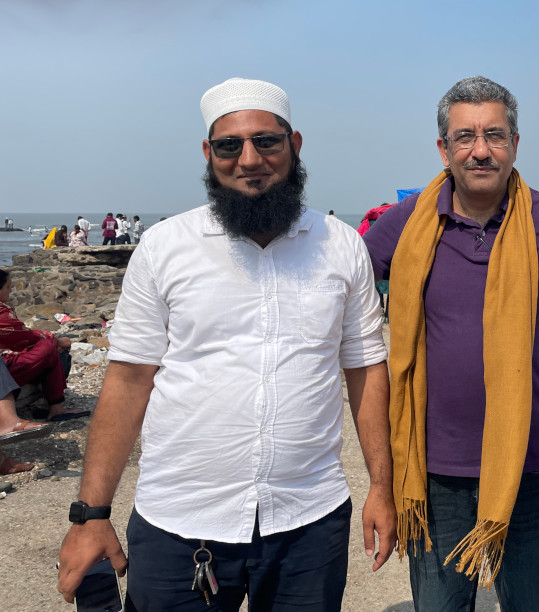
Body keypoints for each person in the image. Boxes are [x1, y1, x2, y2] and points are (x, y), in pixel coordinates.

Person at [57, 77, 395, 611]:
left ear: (295, 144)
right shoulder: (165, 248)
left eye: (267, 141)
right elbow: (127, 381)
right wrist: (91, 515)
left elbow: (365, 369)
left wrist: (383, 485)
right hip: (180, 523)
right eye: (229, 145)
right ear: (208, 153)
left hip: (308, 520)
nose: (249, 159)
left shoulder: (341, 246)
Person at [363, 76, 539, 611]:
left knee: (532, 604)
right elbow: (337, 291)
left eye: (494, 135)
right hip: (436, 473)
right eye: (465, 137)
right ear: (443, 148)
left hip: (534, 465)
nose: (480, 151)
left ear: (515, 144)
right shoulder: (407, 222)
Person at [0, 270, 85, 421]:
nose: (11, 291)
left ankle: (55, 406)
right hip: (4, 370)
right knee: (47, 347)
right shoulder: (2, 316)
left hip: (7, 363)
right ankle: (56, 407)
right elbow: (26, 335)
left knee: (48, 347)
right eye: (8, 287)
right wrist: (55, 340)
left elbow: (20, 337)